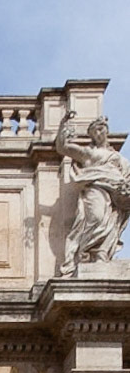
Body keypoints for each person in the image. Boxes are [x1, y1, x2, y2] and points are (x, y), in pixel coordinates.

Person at [56, 111, 130, 275]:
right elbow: (62, 147)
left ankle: (101, 254)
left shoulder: (119, 158)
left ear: (106, 130)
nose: (98, 133)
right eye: (94, 131)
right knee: (96, 217)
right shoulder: (88, 153)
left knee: (112, 223)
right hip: (96, 189)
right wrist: (63, 125)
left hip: (115, 194)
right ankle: (85, 252)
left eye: (101, 129)